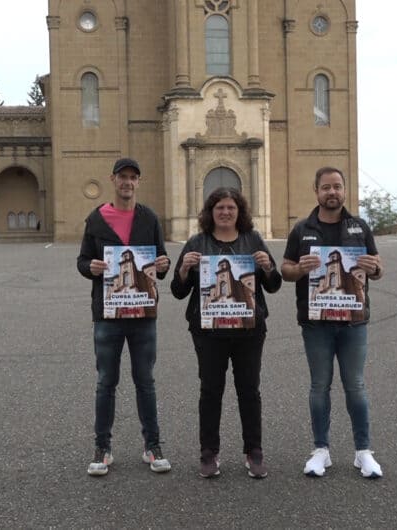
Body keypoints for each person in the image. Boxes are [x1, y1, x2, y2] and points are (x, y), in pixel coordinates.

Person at [171, 187, 282, 479]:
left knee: (249, 390)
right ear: (210, 212)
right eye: (219, 207)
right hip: (208, 331)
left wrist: (268, 267)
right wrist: (183, 269)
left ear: (239, 211)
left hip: (249, 330)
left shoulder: (253, 240)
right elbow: (178, 291)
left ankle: (253, 451)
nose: (225, 212)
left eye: (231, 207)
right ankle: (209, 453)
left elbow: (273, 285)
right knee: (210, 391)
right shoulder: (197, 242)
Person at [281, 167, 384, 479]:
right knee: (319, 386)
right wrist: (299, 269)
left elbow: (378, 267)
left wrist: (375, 268)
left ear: (344, 190)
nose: (332, 192)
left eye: (337, 187)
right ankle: (321, 450)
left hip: (353, 322)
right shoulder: (302, 229)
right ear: (316, 191)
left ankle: (363, 452)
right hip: (316, 323)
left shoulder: (360, 228)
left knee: (355, 386)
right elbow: (285, 270)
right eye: (326, 187)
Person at [77, 157, 172, 476]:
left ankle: (153, 445)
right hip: (108, 312)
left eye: (133, 177)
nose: (127, 182)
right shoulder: (96, 218)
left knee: (145, 380)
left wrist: (163, 265)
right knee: (106, 381)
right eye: (122, 177)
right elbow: (82, 260)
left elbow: (162, 257)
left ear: (138, 182)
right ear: (113, 180)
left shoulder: (148, 218)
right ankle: (102, 447)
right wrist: (90, 268)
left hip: (143, 312)